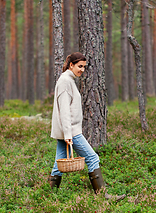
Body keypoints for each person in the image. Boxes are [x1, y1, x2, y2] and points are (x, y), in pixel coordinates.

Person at [48, 52, 125, 201]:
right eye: (79, 66)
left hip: (68, 131)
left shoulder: (69, 80)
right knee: (92, 157)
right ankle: (103, 197)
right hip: (71, 131)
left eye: (84, 66)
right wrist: (68, 135)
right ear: (71, 65)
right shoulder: (65, 81)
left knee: (58, 165)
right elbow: (64, 110)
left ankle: (50, 198)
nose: (82, 70)